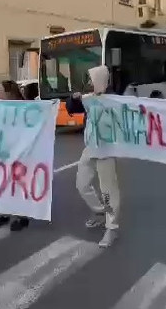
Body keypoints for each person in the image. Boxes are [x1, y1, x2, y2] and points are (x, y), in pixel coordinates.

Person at [67, 65, 121, 248]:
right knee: (81, 184)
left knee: (108, 191)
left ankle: (111, 228)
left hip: (106, 150)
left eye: (91, 79)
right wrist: (73, 99)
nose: (89, 83)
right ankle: (99, 212)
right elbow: (72, 108)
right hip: (90, 148)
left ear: (100, 80)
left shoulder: (113, 100)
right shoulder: (89, 99)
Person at [0, 80, 31, 232]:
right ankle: (3, 214)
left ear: (8, 92)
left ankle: (22, 217)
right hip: (2, 152)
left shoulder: (22, 107)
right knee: (1, 183)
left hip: (19, 153)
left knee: (17, 185)